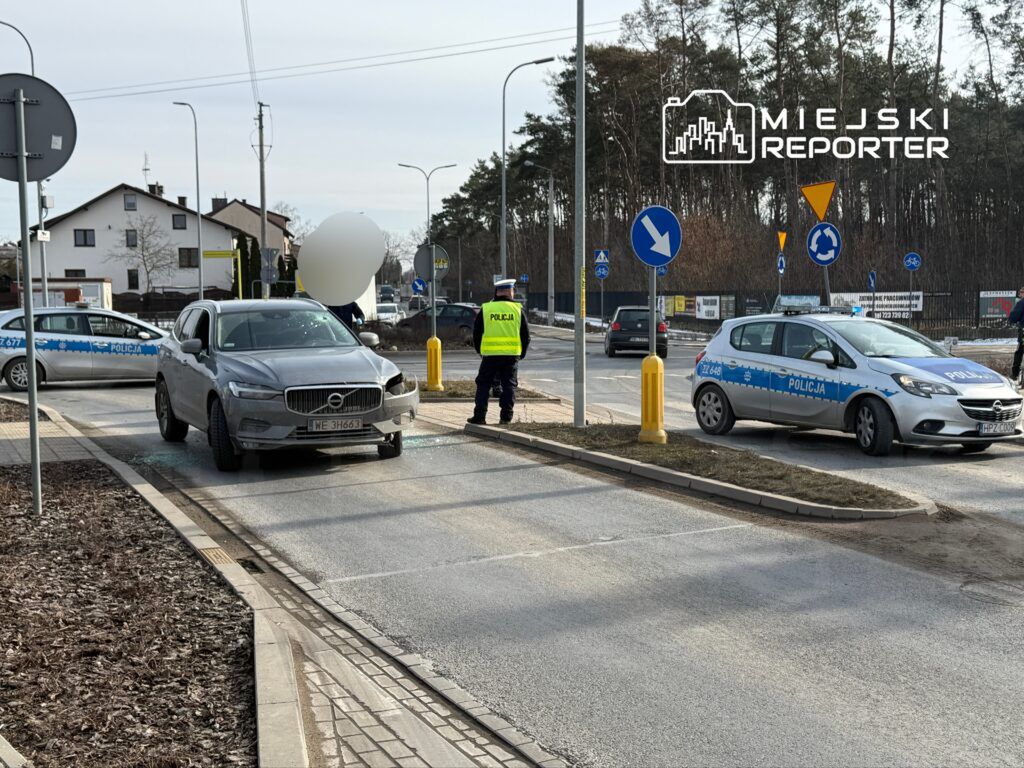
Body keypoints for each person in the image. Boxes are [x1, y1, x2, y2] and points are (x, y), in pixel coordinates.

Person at [467, 278, 530, 425]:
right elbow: (526, 336)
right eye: (513, 290)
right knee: (509, 385)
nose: (514, 293)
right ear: (509, 291)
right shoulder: (517, 310)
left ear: (497, 292)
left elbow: (476, 333)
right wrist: (521, 354)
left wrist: (480, 351)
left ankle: (479, 416)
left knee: (483, 385)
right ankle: (506, 418)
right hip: (511, 356)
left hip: (489, 356)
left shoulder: (487, 309)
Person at [1009, 286, 1024, 384]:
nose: (1020, 294)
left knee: (1019, 351)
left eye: (1022, 292)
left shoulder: (1022, 303)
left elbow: (1013, 317)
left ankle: (1015, 374)